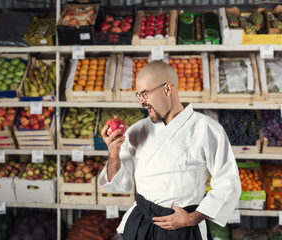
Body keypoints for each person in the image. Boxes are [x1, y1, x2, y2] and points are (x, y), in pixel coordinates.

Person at [98, 60, 241, 240]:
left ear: (167, 89)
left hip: (181, 228)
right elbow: (120, 183)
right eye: (138, 95)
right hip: (141, 221)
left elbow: (229, 183)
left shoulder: (206, 129)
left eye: (145, 93)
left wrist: (191, 219)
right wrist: (113, 152)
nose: (141, 101)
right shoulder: (137, 130)